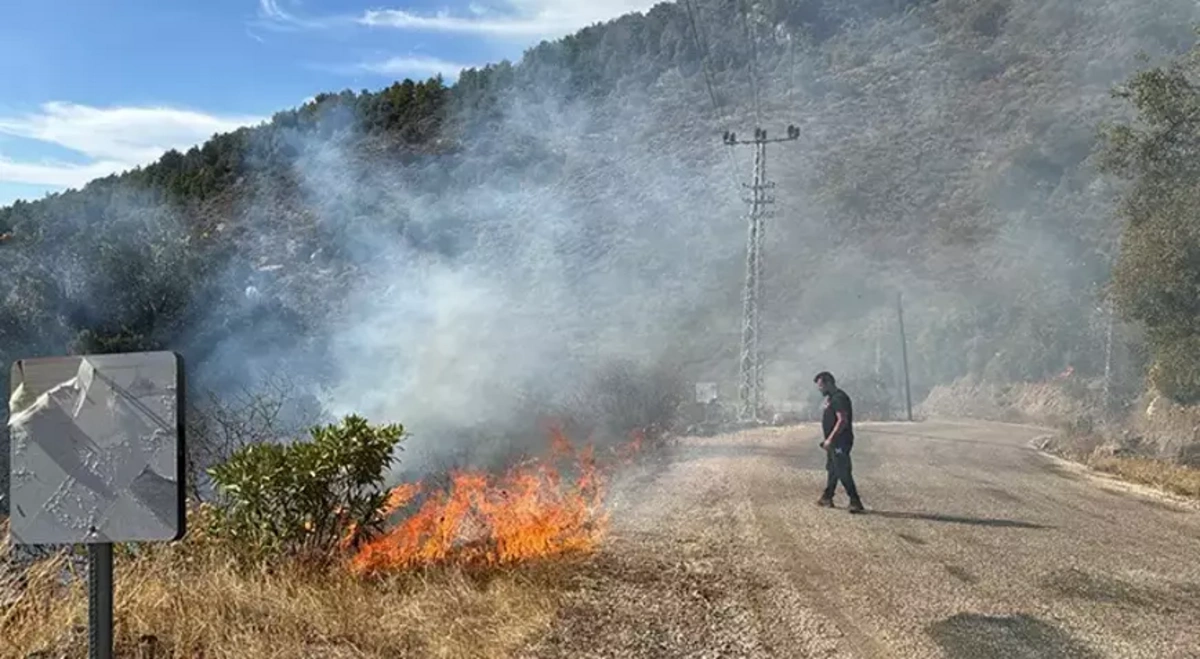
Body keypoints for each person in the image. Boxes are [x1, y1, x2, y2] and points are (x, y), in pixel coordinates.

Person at [814, 371, 864, 513]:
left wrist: (830, 439)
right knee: (832, 468)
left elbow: (842, 420)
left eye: (821, 386)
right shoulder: (832, 398)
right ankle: (827, 496)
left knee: (842, 470)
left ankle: (855, 500)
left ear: (829, 383)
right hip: (834, 442)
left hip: (840, 442)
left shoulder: (839, 398)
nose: (820, 389)